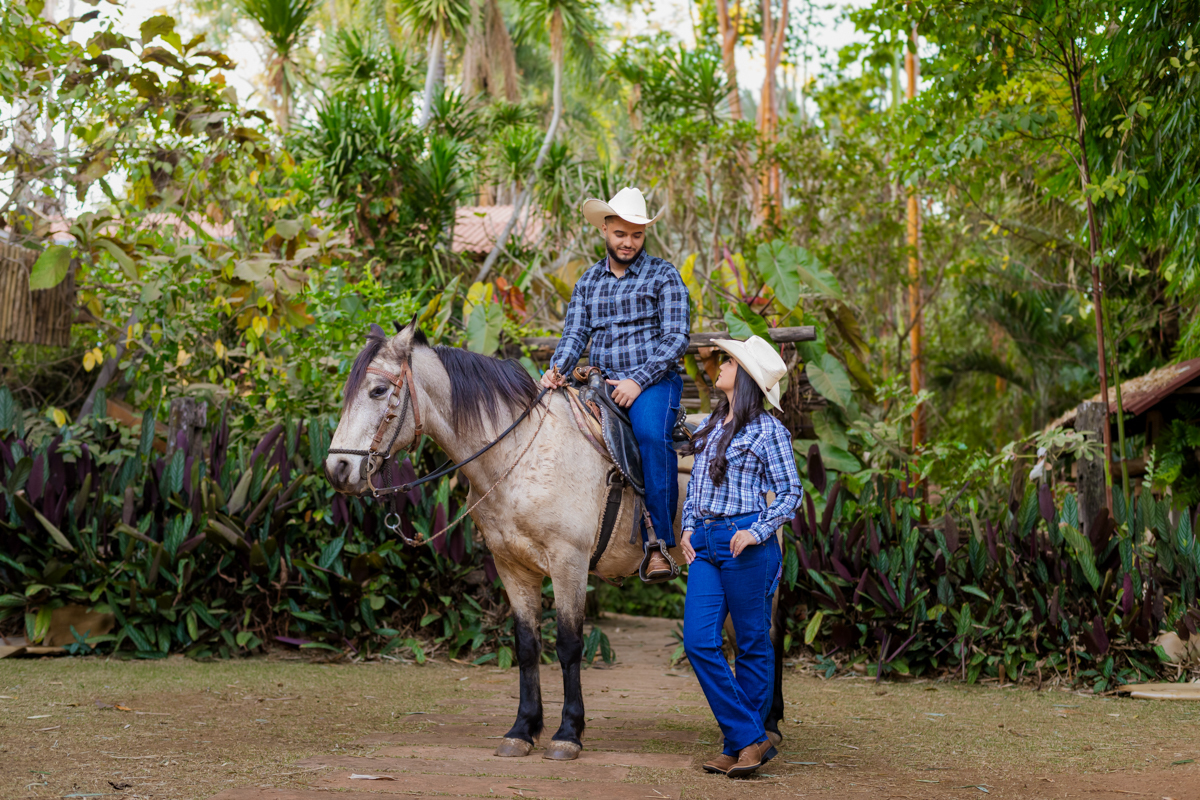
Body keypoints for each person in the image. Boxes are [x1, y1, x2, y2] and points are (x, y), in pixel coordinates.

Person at [541, 187, 689, 582]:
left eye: (636, 235)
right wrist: (558, 368)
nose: (628, 243)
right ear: (605, 229)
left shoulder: (664, 276)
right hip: (600, 384)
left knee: (649, 434)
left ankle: (657, 542)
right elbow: (575, 334)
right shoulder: (589, 282)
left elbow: (675, 338)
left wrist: (638, 382)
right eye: (621, 234)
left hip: (653, 382)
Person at [679, 335, 802, 779]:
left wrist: (756, 530)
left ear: (745, 376)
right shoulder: (710, 425)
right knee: (698, 641)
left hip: (745, 542)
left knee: (751, 644)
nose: (720, 364)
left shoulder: (769, 430)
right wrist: (687, 525)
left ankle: (738, 747)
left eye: (728, 360)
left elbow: (791, 493)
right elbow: (696, 486)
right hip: (707, 546)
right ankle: (751, 736)